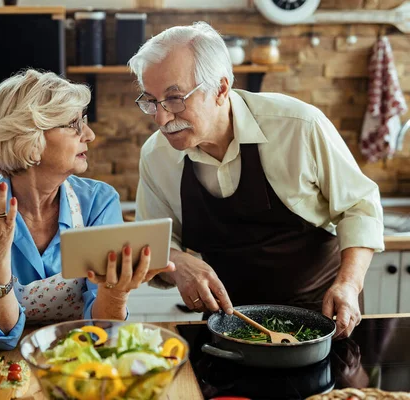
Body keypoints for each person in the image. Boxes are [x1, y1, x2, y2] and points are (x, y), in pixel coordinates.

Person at [128, 22, 384, 339]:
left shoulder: (298, 126)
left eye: (175, 98)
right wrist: (178, 262)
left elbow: (360, 206)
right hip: (231, 322)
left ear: (220, 89)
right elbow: (153, 243)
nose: (161, 118)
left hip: (323, 315)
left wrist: (349, 283)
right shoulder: (156, 157)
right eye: (150, 101)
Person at [0, 69, 174, 350]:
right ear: (29, 138)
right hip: (4, 365)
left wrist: (115, 293)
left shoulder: (98, 202)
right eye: (72, 124)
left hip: (80, 356)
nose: (89, 135)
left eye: (84, 122)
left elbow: (103, 333)